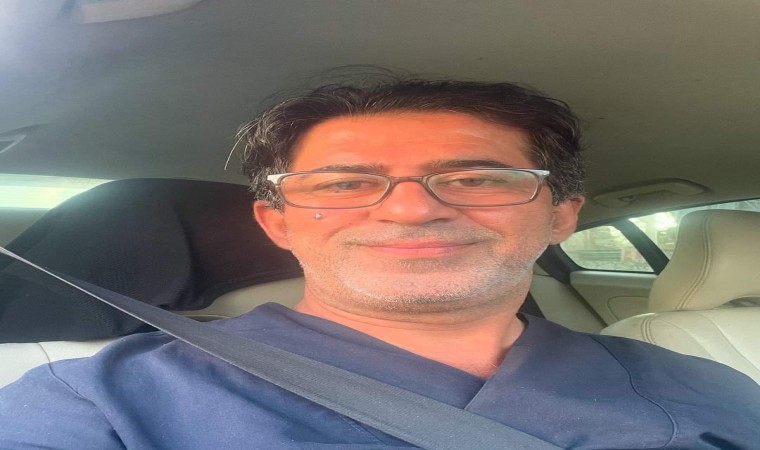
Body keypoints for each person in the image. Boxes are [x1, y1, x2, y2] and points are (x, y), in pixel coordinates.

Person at [1, 77, 758, 449]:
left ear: (561, 215)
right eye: (343, 184)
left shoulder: (702, 383)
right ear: (277, 222)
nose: (412, 210)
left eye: (476, 178)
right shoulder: (97, 404)